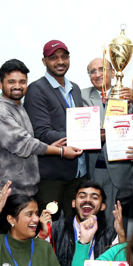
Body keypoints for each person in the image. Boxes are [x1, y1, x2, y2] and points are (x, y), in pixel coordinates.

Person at [0, 59, 81, 196]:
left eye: (22, 82)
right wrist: (60, 151)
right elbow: (23, 143)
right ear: (0, 84)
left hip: (26, 187)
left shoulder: (18, 106)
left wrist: (50, 147)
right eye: (11, 82)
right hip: (9, 189)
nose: (17, 86)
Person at [23, 39, 88, 219]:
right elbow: (42, 133)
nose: (60, 61)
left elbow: (81, 124)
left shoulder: (75, 88)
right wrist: (84, 136)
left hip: (79, 173)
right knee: (49, 226)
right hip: (53, 176)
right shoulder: (36, 89)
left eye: (64, 57)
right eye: (54, 58)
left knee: (75, 226)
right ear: (44, 61)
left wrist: (94, 133)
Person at [37, 180, 124, 266]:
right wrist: (42, 235)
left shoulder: (111, 235)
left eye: (94, 197)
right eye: (82, 196)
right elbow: (38, 263)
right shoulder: (55, 229)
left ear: (102, 206)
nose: (87, 200)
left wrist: (121, 234)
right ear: (73, 203)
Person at [81, 57, 133, 221]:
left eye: (102, 69)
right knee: (93, 217)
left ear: (113, 73)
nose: (98, 74)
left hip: (121, 167)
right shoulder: (81, 94)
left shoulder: (125, 93)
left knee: (119, 218)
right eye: (93, 71)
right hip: (94, 167)